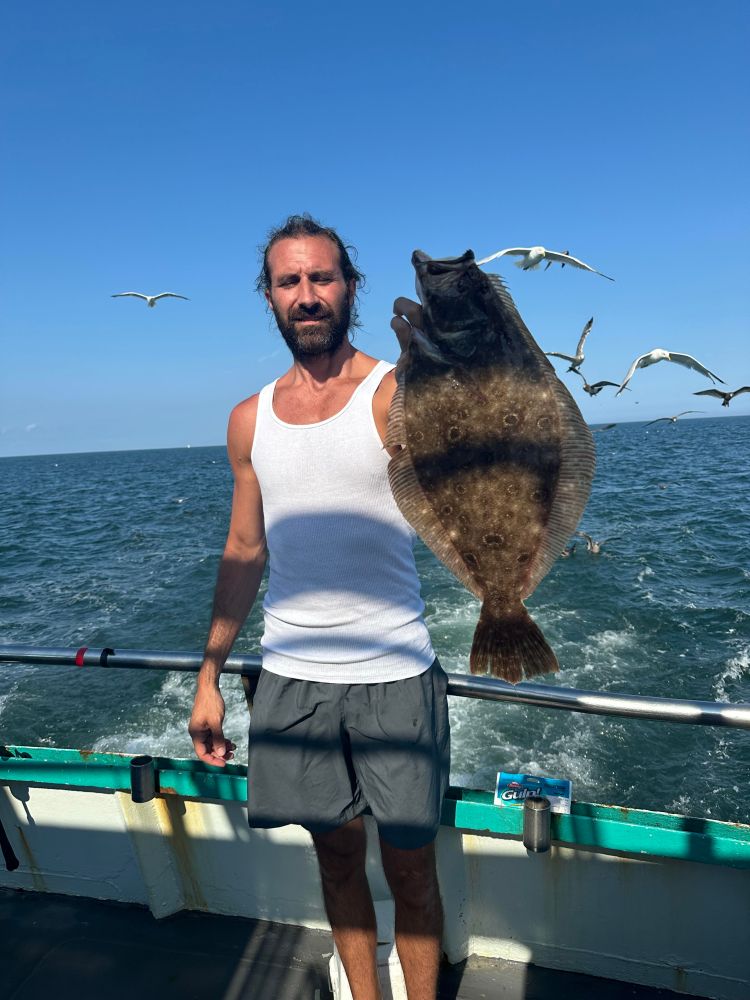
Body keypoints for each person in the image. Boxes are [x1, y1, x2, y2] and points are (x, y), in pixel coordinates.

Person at [188, 214, 450, 1000]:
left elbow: (466, 469)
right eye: (289, 281)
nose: (307, 295)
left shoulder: (396, 392)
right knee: (336, 860)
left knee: (411, 869)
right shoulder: (249, 420)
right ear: (269, 296)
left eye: (322, 278)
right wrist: (209, 675)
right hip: (293, 676)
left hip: (396, 672)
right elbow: (244, 551)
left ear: (350, 288)